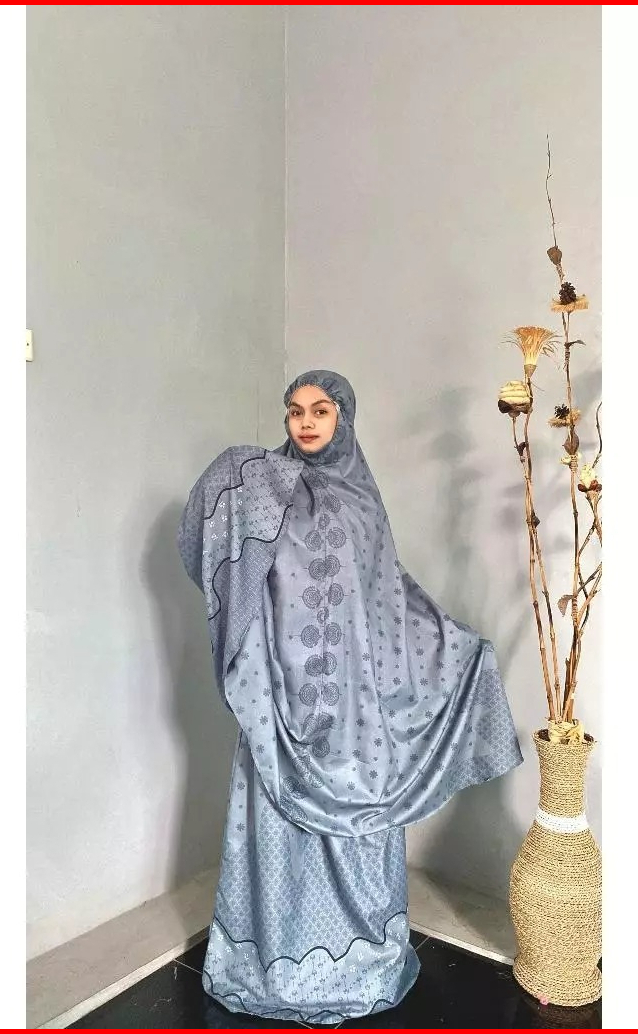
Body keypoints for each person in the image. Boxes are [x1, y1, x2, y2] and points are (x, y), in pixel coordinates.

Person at [177, 370, 522, 1024]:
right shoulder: (263, 489)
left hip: (353, 709)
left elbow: (386, 595)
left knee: (359, 823)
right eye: (295, 411)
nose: (306, 422)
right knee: (279, 830)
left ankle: (359, 966)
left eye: (321, 410)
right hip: (278, 698)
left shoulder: (362, 500)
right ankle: (274, 969)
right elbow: (212, 542)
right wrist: (236, 470)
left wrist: (452, 644)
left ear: (344, 417)